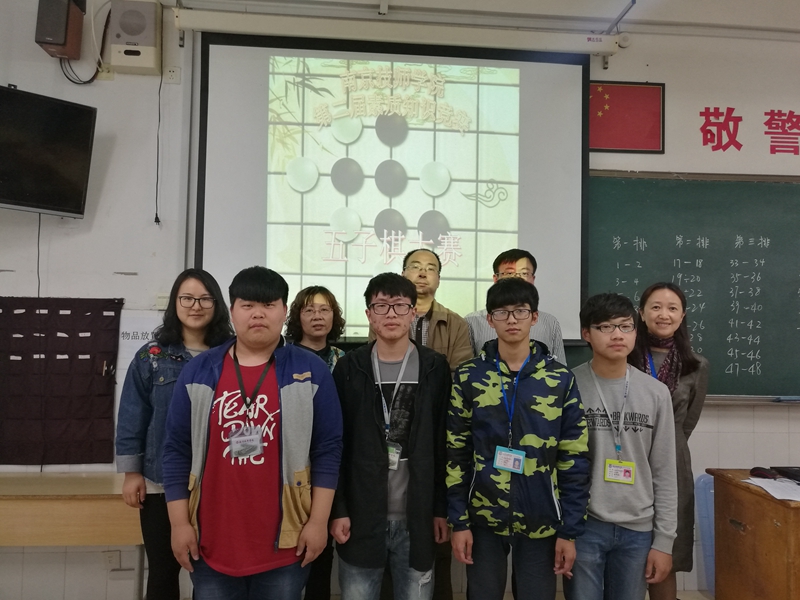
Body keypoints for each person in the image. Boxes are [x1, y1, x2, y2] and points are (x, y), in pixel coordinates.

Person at [162, 266, 343, 600]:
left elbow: (328, 450)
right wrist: (179, 524)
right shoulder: (199, 370)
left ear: (284, 311)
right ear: (232, 311)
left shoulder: (310, 371)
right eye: (247, 305)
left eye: (269, 305)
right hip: (210, 541)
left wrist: (318, 523)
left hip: (286, 541)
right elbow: (175, 449)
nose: (258, 314)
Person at [447, 277, 590, 600]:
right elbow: (456, 452)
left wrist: (570, 530)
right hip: (483, 515)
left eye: (520, 311)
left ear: (534, 317)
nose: (511, 319)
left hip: (542, 516)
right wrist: (459, 521)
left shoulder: (559, 379)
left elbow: (574, 457)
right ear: (490, 319)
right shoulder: (469, 375)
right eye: (502, 312)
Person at [330, 273, 451, 600]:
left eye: (399, 306)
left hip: (418, 517)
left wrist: (440, 508)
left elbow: (444, 444)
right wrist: (338, 508)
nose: (391, 314)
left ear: (414, 313)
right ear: (369, 315)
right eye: (381, 306)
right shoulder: (350, 368)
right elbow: (336, 446)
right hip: (361, 516)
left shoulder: (434, 368)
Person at [115, 268, 233, 600]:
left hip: (219, 481)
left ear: (217, 304)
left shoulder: (232, 355)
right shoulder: (151, 356)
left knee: (213, 574)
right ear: (175, 303)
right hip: (161, 481)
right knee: (164, 571)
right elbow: (132, 416)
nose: (196, 306)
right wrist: (132, 474)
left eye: (205, 299)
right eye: (187, 298)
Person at [565, 293, 677, 600]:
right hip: (585, 525)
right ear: (586, 333)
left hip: (638, 528)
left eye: (626, 326)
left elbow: (665, 471)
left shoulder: (656, 393)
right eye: (606, 327)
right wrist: (565, 530)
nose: (617, 335)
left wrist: (664, 542)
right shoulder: (568, 386)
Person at [378, 248, 473, 600]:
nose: (422, 273)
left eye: (430, 268)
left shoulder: (455, 323)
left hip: (437, 429)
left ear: (438, 278)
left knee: (434, 544)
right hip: (392, 428)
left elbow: (459, 376)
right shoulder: (386, 315)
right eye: (415, 267)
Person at [628, 283, 709, 600]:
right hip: (627, 459)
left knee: (665, 556)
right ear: (642, 313)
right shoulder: (625, 356)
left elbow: (687, 423)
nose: (664, 314)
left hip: (672, 465)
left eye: (672, 308)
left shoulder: (696, 365)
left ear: (682, 315)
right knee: (625, 552)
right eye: (656, 307)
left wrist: (663, 447)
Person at [286, 285, 347, 600]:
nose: (317, 316)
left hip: (330, 466)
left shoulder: (344, 361)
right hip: (290, 467)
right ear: (297, 317)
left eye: (324, 309)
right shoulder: (283, 357)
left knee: (322, 554)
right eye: (309, 310)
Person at [465, 249, 566, 363]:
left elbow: (559, 366)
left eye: (524, 273)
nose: (517, 278)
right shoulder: (472, 322)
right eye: (509, 273)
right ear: (495, 279)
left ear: (533, 279)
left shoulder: (550, 322)